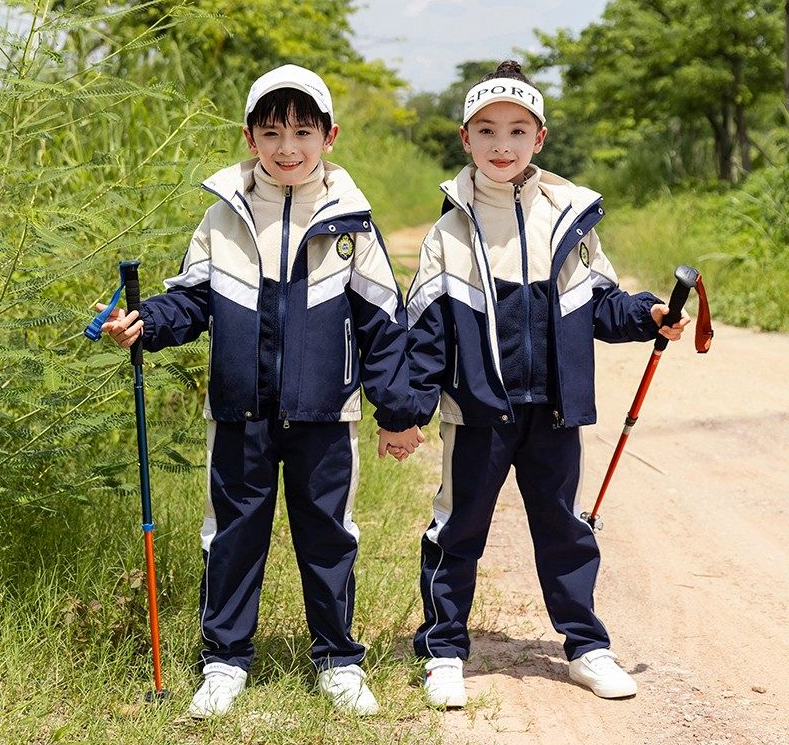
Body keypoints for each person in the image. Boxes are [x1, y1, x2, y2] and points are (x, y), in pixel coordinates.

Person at [98, 64, 423, 719]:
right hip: (239, 416)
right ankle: (223, 661)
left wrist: (399, 410)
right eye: (272, 131)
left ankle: (337, 660)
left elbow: (383, 324)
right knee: (232, 536)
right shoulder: (223, 217)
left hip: (326, 417)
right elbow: (188, 303)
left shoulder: (351, 223)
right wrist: (145, 323)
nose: (287, 147)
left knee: (330, 536)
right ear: (250, 137)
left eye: (303, 131)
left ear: (329, 137)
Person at [386, 60, 689, 706]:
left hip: (554, 409)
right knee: (458, 526)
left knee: (564, 527)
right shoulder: (450, 231)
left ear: (540, 139)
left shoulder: (570, 219)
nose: (503, 145)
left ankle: (585, 645)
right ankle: (443, 647)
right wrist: (407, 410)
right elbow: (429, 331)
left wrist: (650, 315)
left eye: (518, 131)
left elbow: (602, 304)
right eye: (487, 131)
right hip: (478, 413)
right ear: (465, 139)